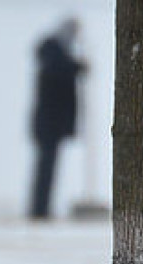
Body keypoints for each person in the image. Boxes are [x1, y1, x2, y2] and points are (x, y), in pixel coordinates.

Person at [28, 18, 86, 220]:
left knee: (48, 168)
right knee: (45, 168)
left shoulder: (58, 56)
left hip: (53, 124)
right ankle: (39, 209)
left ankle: (41, 208)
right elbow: (57, 74)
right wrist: (74, 68)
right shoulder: (53, 55)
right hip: (48, 124)